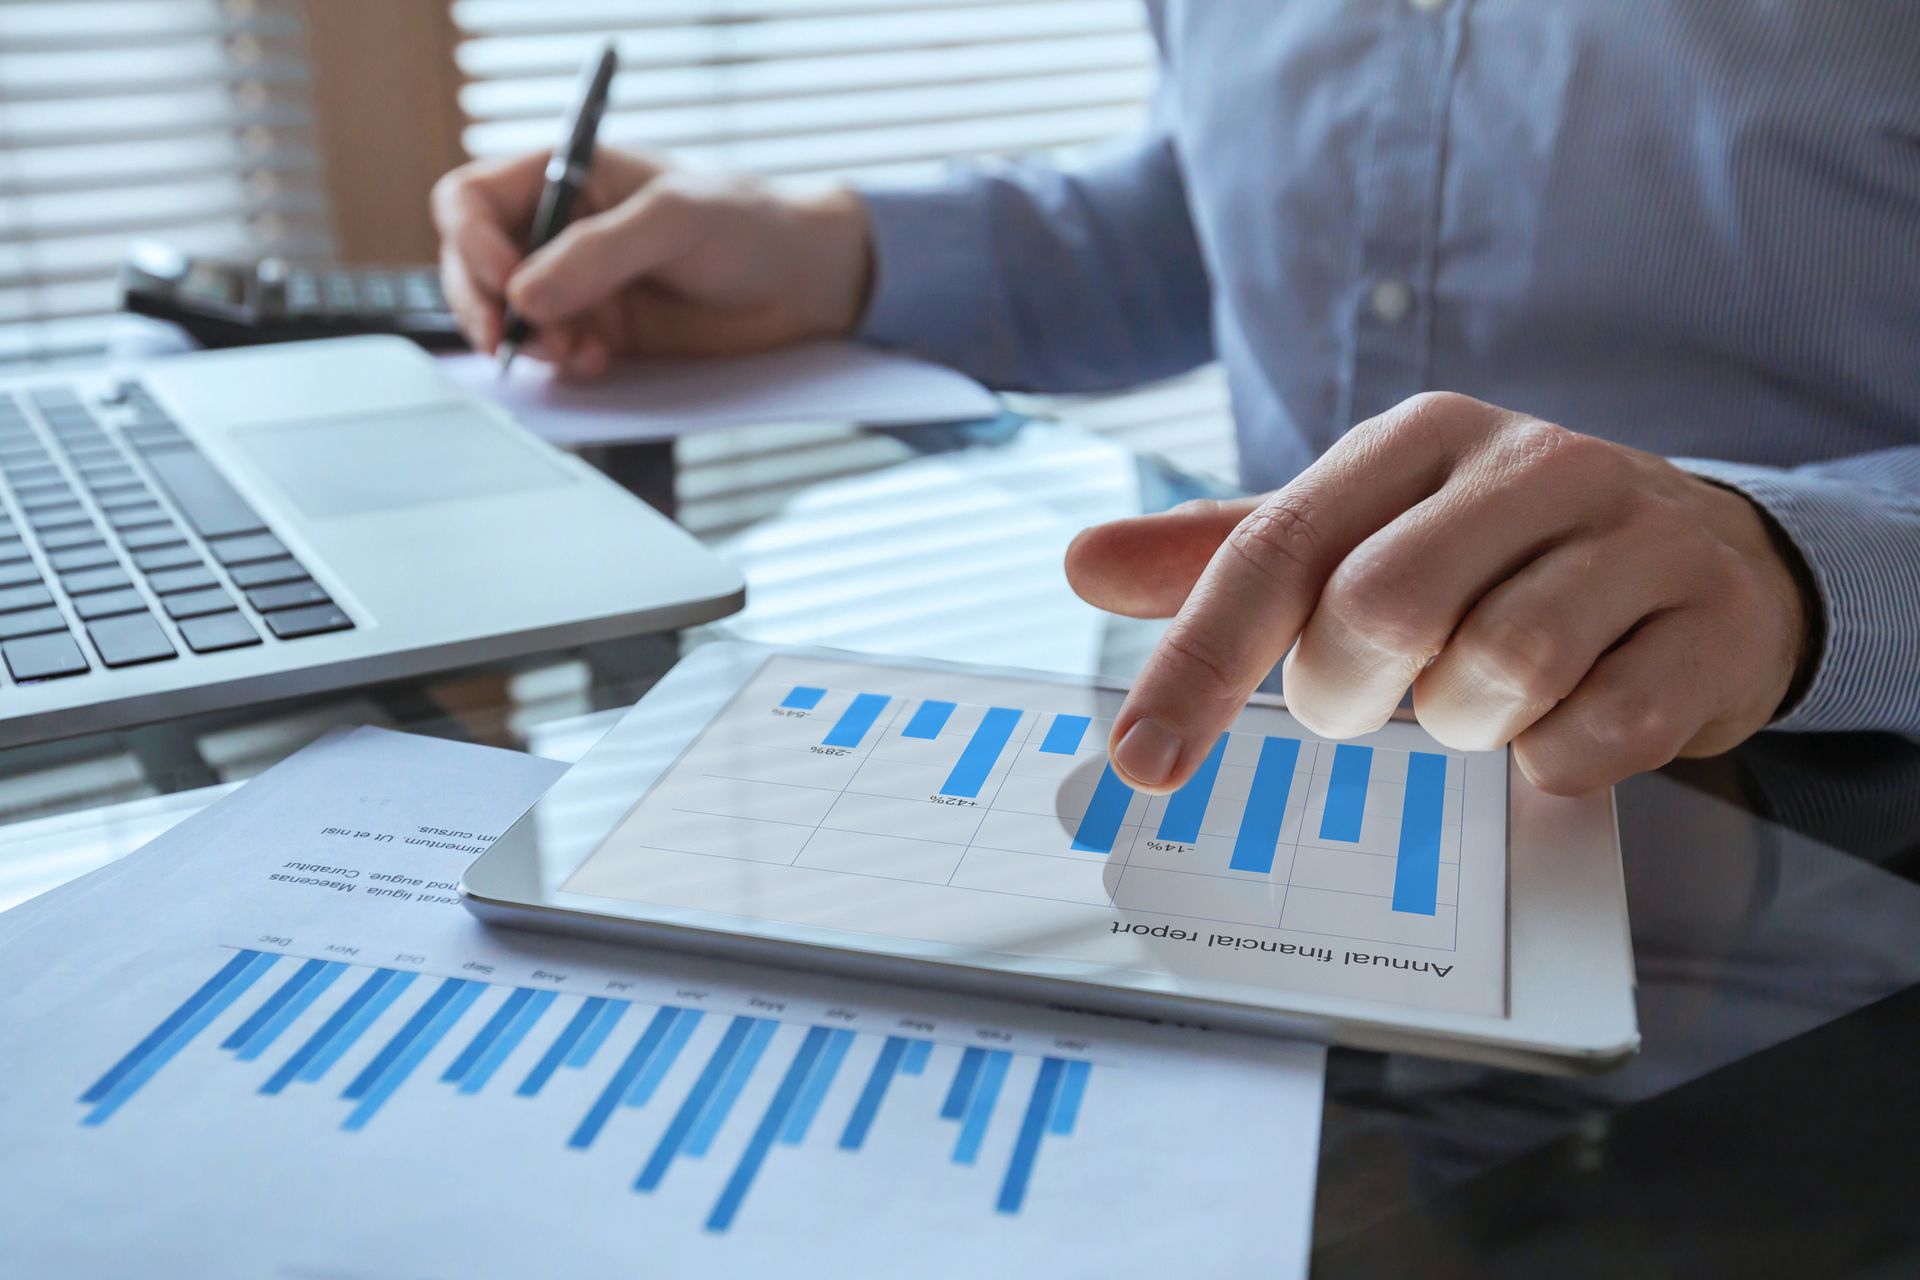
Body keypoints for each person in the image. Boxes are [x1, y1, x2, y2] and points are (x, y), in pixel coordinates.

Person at [433, 5, 1920, 798]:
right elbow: (1205, 205)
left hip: (1810, 826)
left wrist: (1784, 561)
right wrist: (826, 255)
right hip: (1288, 772)